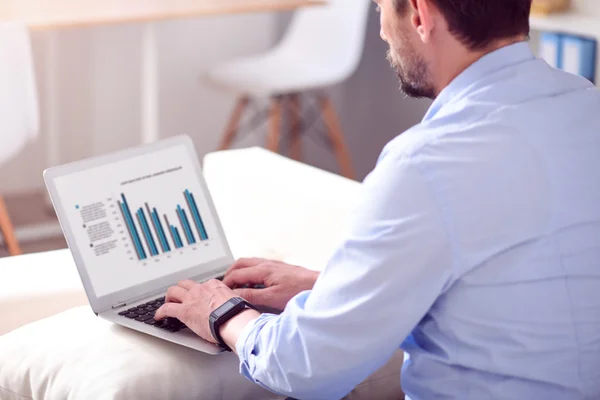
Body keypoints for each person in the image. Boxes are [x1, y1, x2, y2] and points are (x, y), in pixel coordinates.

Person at [155, 0, 600, 398]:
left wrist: (220, 311)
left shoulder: (425, 164)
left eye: (382, 8)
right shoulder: (587, 105)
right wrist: (328, 287)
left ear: (421, 15)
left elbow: (307, 368)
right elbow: (509, 285)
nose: (384, 30)